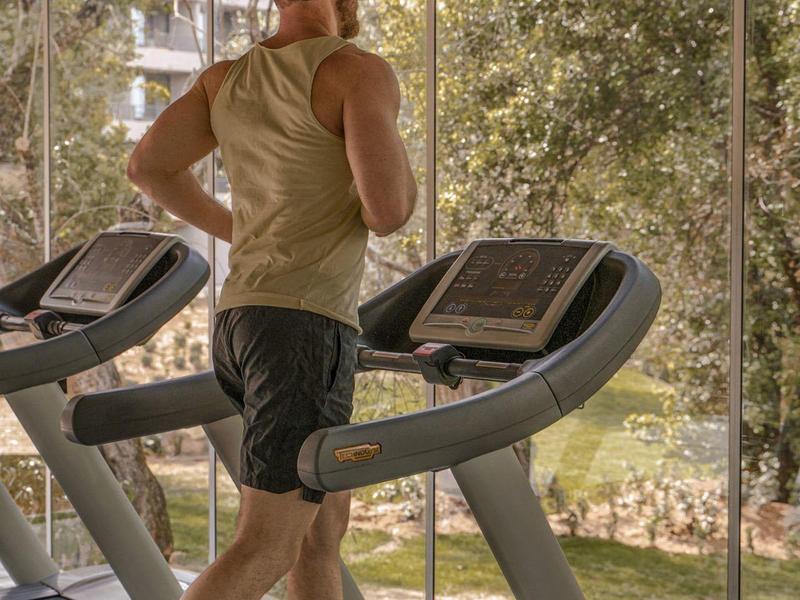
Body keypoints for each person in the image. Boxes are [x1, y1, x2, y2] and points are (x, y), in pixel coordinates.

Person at [126, 0, 417, 598]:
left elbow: (149, 167)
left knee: (319, 532)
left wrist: (244, 230)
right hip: (302, 327)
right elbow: (387, 211)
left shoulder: (224, 79)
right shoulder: (357, 72)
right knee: (267, 547)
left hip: (240, 321)